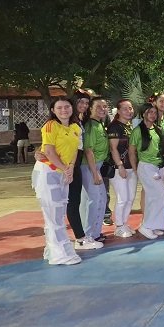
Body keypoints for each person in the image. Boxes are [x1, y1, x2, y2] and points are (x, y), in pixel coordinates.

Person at [32, 97, 85, 265]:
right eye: (59, 107)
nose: (64, 110)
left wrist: (69, 168)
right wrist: (64, 168)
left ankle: (52, 249)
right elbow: (48, 151)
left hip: (63, 172)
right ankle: (58, 254)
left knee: (59, 214)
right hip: (48, 172)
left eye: (67, 106)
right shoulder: (50, 126)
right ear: (53, 110)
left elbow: (75, 150)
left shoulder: (76, 127)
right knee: (52, 214)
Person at [128, 103, 164, 240]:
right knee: (162, 195)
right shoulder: (137, 131)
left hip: (158, 166)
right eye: (149, 112)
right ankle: (146, 226)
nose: (152, 114)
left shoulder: (157, 129)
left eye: (154, 112)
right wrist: (135, 169)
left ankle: (153, 225)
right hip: (146, 167)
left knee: (154, 197)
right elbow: (132, 152)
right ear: (143, 113)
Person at [80, 97, 110, 244]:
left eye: (105, 106)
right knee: (97, 200)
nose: (103, 109)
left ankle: (93, 232)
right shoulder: (91, 126)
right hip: (90, 166)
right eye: (98, 107)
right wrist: (94, 172)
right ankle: (90, 235)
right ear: (90, 109)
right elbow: (88, 150)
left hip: (95, 165)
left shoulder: (99, 124)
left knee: (95, 199)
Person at [108, 99, 137, 238]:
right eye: (125, 109)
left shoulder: (130, 126)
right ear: (118, 111)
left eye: (130, 108)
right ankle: (119, 226)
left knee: (130, 198)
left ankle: (124, 223)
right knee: (122, 198)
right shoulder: (114, 127)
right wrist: (119, 165)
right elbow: (113, 148)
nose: (128, 111)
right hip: (119, 168)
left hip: (131, 167)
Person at [68, 91, 93, 248]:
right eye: (80, 102)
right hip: (67, 166)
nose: (83, 105)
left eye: (86, 103)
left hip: (76, 165)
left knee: (75, 201)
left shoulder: (82, 120)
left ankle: (81, 236)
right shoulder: (68, 122)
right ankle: (80, 239)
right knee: (71, 202)